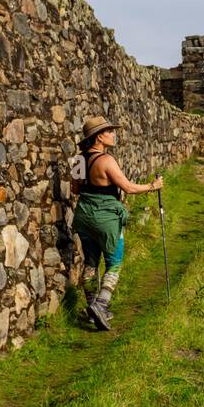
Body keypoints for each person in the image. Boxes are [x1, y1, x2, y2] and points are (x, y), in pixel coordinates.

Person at [70, 116, 163, 330]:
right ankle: (101, 305)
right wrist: (153, 185)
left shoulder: (77, 160)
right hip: (106, 217)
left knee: (91, 263)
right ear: (99, 136)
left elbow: (76, 189)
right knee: (115, 262)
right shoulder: (106, 160)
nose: (113, 135)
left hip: (83, 216)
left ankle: (92, 307)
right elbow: (128, 188)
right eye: (109, 131)